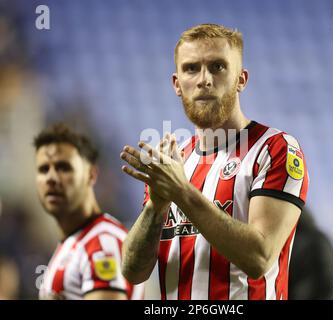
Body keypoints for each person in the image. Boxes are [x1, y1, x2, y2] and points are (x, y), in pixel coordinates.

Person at [120, 24, 309, 300]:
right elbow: (133, 271)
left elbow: (260, 257)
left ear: (241, 79)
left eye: (218, 67)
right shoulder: (173, 162)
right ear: (176, 84)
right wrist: (155, 206)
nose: (204, 79)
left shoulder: (275, 148)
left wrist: (181, 193)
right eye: (191, 68)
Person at [34, 123, 143, 300]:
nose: (51, 178)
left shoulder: (103, 241)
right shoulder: (76, 242)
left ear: (91, 174)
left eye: (63, 167)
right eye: (43, 169)